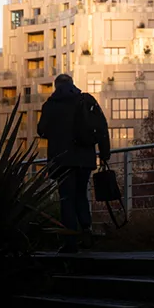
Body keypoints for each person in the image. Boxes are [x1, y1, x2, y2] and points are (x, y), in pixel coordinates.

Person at [37, 73, 111, 253]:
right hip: (84, 159)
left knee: (67, 199)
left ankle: (70, 242)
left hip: (62, 161)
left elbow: (42, 131)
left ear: (56, 86)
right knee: (80, 195)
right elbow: (101, 127)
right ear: (72, 84)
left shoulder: (50, 105)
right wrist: (105, 154)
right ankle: (86, 230)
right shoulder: (85, 100)